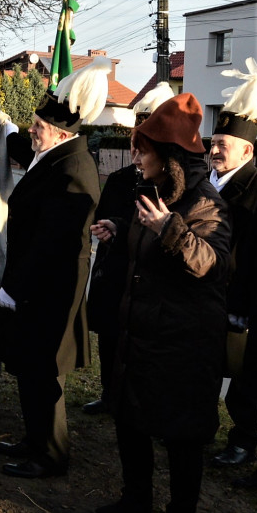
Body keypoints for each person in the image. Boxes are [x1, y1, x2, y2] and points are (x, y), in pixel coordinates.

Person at [91, 93, 231, 513]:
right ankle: (136, 501)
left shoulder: (205, 203)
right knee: (130, 419)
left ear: (167, 157)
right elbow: (149, 248)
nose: (136, 156)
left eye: (143, 149)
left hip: (183, 344)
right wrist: (118, 227)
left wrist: (168, 228)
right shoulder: (156, 195)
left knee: (180, 435)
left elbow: (209, 262)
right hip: (142, 334)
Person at [0, 58, 109, 478]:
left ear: (60, 132)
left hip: (49, 289)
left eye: (37, 125)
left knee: (45, 373)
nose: (31, 130)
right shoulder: (57, 153)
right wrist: (5, 129)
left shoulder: (75, 170)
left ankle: (52, 455)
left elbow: (51, 241)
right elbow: (29, 153)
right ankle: (33, 439)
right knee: (28, 365)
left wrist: (15, 287)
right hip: (34, 285)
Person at [84, 82, 175, 416]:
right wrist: (104, 226)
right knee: (111, 337)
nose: (137, 149)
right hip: (115, 273)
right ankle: (110, 394)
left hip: (148, 278)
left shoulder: (171, 183)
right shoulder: (122, 178)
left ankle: (144, 402)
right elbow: (104, 213)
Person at [206, 58, 257, 475]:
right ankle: (201, 430)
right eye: (212, 142)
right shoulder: (206, 182)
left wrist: (241, 308)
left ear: (247, 149)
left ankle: (244, 443)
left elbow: (255, 255)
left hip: (238, 301)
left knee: (244, 382)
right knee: (203, 369)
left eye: (222, 145)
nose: (213, 150)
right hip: (203, 295)